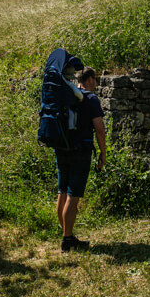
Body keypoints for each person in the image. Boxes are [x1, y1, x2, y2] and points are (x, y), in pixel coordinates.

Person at [55, 66, 107, 252]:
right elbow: (99, 128)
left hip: (61, 149)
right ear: (90, 79)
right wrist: (103, 151)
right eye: (96, 78)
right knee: (73, 195)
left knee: (62, 191)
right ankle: (67, 240)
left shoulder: (64, 96)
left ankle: (66, 234)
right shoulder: (91, 99)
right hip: (80, 151)